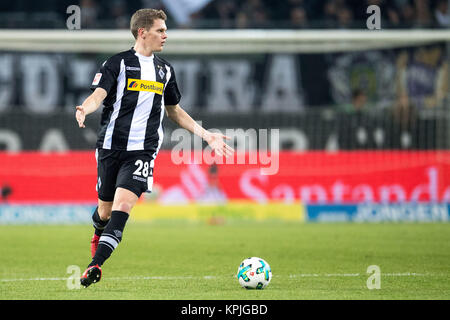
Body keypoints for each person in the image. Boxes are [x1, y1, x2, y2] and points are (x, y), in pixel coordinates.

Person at [75, 8, 234, 288]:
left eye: (165, 30)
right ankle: (97, 234)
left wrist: (206, 134)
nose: (165, 35)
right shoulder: (117, 63)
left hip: (143, 151)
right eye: (160, 30)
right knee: (104, 212)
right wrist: (84, 109)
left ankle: (94, 265)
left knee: (123, 206)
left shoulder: (165, 70)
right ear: (142, 32)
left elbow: (174, 111)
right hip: (110, 147)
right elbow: (98, 95)